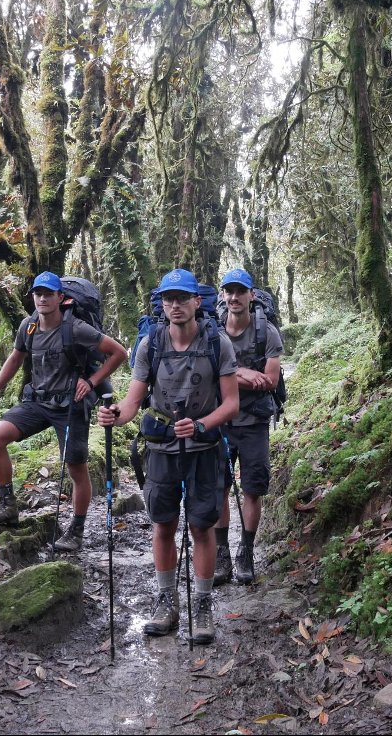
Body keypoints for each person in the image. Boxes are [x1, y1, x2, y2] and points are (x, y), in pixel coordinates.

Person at [97, 269, 239, 644]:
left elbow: (231, 404)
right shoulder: (151, 344)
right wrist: (115, 416)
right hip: (161, 448)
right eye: (168, 298)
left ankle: (203, 603)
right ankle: (167, 599)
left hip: (203, 449)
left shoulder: (217, 343)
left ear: (196, 302)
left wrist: (202, 425)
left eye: (182, 298)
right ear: (161, 303)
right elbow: (132, 400)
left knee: (201, 526)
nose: (175, 305)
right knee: (163, 524)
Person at [0, 272, 128, 548]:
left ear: (60, 297)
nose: (42, 299)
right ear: (33, 297)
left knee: (75, 468)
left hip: (71, 405)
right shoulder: (28, 326)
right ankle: (7, 503)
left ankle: (76, 530)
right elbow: (16, 358)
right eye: (38, 294)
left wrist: (91, 382)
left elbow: (119, 352)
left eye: (48, 294)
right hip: (38, 402)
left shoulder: (76, 328)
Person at [213, 268, 283, 585]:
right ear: (222, 295)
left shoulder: (266, 332)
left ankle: (246, 551)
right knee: (219, 489)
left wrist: (230, 376)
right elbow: (210, 372)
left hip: (254, 421)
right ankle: (222, 555)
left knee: (253, 488)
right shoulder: (213, 331)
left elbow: (269, 380)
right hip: (221, 421)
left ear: (251, 295)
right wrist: (241, 373)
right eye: (229, 291)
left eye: (240, 291)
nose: (234, 297)